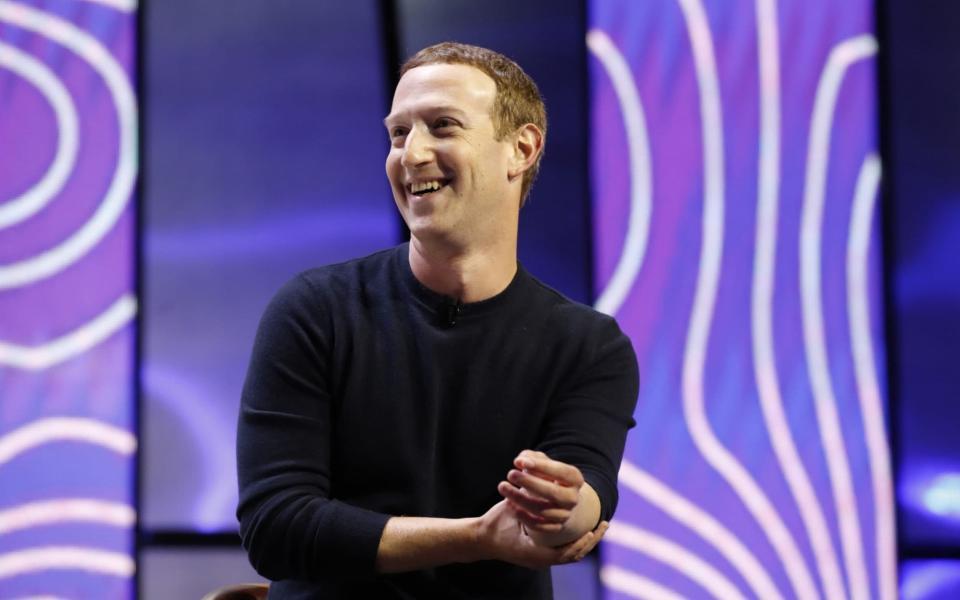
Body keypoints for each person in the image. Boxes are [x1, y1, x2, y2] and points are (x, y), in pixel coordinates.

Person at [236, 42, 639, 599]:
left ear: (520, 149)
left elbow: (586, 491)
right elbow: (274, 529)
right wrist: (477, 537)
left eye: (442, 126)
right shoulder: (314, 310)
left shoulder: (588, 345)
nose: (411, 153)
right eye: (399, 133)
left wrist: (565, 508)